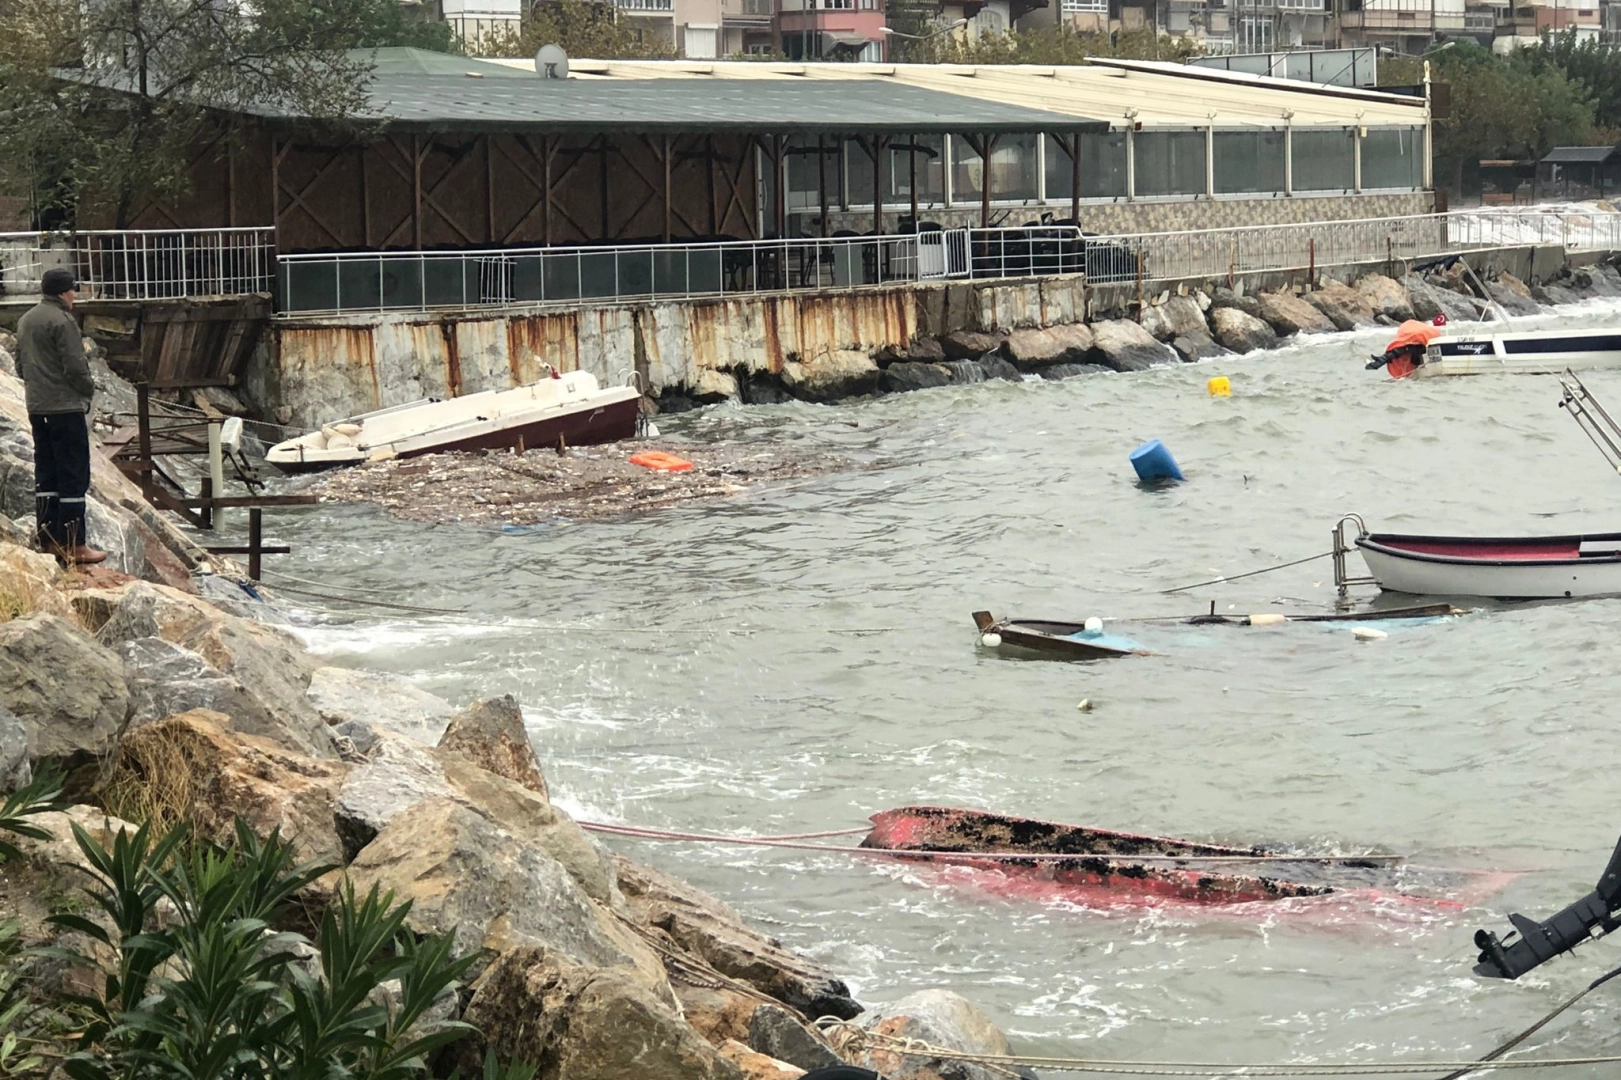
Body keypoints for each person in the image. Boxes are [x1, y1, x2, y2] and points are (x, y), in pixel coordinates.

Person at [15, 268, 105, 565]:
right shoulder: (63, 321)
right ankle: (74, 543)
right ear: (63, 292)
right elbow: (76, 368)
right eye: (73, 290)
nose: (75, 295)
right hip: (64, 408)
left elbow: (19, 366)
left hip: (37, 407)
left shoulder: (26, 320)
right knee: (73, 474)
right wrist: (88, 390)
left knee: (47, 473)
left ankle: (47, 537)